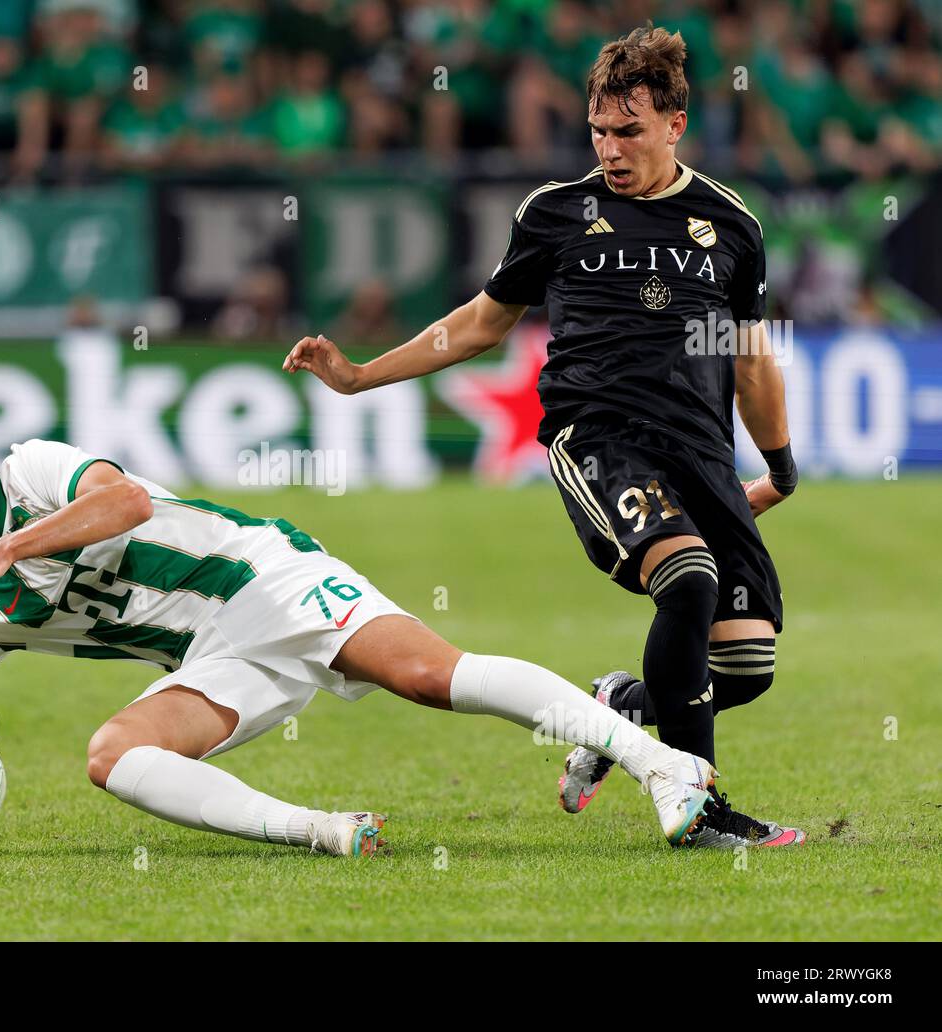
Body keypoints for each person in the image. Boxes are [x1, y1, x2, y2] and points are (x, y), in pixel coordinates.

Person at [0, 406, 717, 857]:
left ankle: (662, 763)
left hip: (266, 576)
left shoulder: (34, 470)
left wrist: (3, 548)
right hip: (221, 658)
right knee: (112, 754)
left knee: (426, 675)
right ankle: (323, 832)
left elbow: (119, 503)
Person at [284, 25, 804, 848]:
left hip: (702, 452)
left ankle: (617, 710)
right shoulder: (558, 213)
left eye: (628, 131)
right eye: (598, 130)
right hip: (597, 436)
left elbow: (750, 362)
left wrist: (780, 464)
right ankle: (699, 806)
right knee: (690, 577)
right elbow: (479, 326)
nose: (610, 148)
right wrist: (358, 376)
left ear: (675, 122)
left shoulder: (730, 226)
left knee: (743, 667)